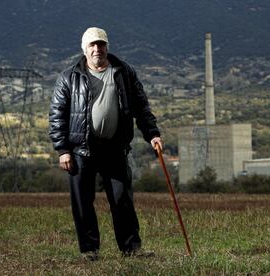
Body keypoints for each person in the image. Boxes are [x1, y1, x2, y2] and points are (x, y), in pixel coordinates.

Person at [49, 27, 162, 261]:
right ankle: (89, 250)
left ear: (107, 47)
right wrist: (63, 150)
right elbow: (57, 115)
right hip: (81, 151)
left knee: (122, 200)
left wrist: (152, 133)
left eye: (100, 44)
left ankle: (131, 248)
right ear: (84, 49)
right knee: (83, 202)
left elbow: (141, 107)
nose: (97, 49)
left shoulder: (124, 73)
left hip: (115, 148)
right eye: (92, 45)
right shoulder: (68, 77)